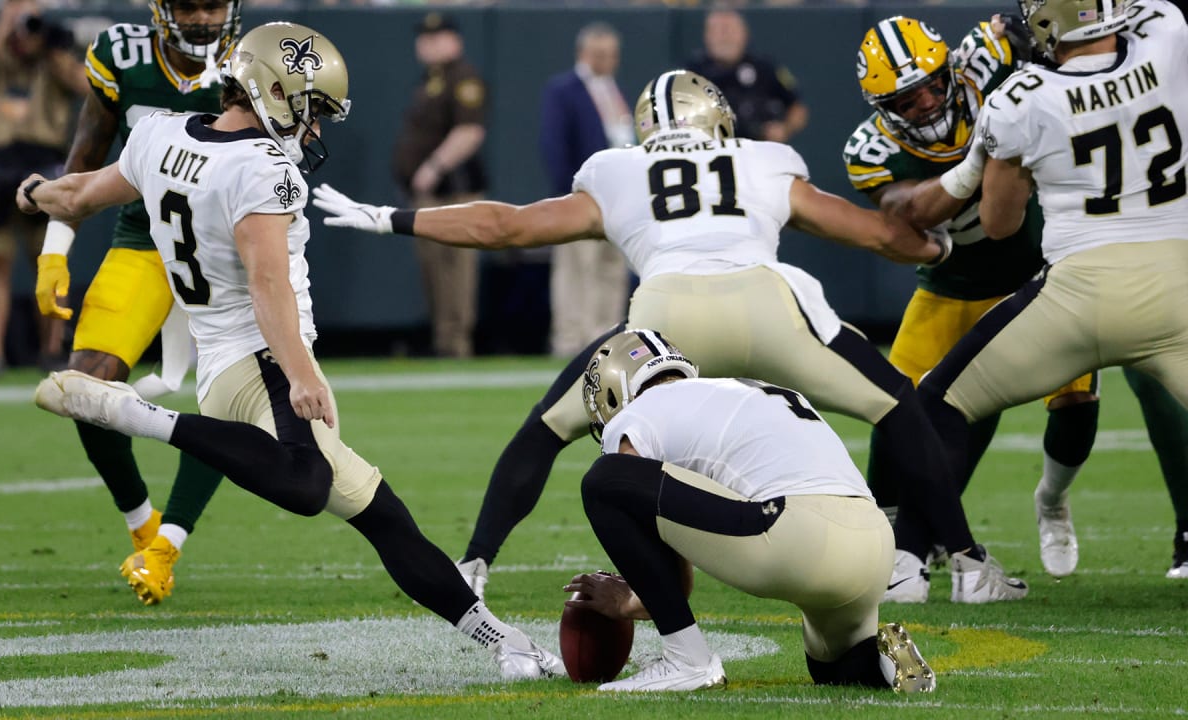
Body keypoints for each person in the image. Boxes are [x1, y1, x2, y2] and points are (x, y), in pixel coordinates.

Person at [316, 69, 1027, 605]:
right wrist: (932, 252)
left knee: (547, 428)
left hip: (664, 319)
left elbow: (506, 226)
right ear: (719, 117)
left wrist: (392, 218)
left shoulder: (620, 170)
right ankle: (963, 561)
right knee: (898, 405)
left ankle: (473, 565)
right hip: (768, 306)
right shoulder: (762, 158)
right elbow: (876, 234)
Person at [18, 22, 564, 680]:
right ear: (272, 91)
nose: (314, 129)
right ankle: (137, 415)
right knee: (308, 486)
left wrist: (32, 195)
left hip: (224, 368)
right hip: (262, 362)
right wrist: (304, 375)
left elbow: (76, 193)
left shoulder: (157, 135)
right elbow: (268, 283)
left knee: (380, 512)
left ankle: (504, 643)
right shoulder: (262, 167)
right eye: (310, 110)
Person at [915, 0, 1188, 580]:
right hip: (1176, 290)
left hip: (1077, 298)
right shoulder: (1166, 32)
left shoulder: (1020, 98)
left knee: (937, 403)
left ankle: (937, 556)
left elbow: (999, 225)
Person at [843, 15, 1100, 590]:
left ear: (952, 67)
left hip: (1040, 275)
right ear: (881, 107)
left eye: (935, 84)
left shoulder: (988, 56)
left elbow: (1046, 33)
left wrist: (1030, 34)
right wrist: (979, 160)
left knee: (1076, 404)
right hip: (951, 288)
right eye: (908, 101)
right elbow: (911, 208)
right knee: (895, 408)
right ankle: (889, 540)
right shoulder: (869, 148)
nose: (930, 103)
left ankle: (1052, 501)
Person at [561, 328, 934, 693]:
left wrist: (630, 598)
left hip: (800, 536)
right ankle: (880, 662)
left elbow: (629, 497)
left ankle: (687, 661)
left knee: (604, 481)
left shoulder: (640, 412)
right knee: (838, 671)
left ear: (614, 392)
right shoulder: (739, 391)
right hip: (876, 547)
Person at [33, 0, 241, 606]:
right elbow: (87, 150)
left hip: (228, 248)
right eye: (189, 5)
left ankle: (166, 547)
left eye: (213, 5)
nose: (203, 18)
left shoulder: (254, 60)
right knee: (85, 389)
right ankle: (141, 524)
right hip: (144, 240)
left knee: (226, 397)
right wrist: (56, 248)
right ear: (160, 9)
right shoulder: (121, 56)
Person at [0, 0, 86, 375]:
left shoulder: (56, 54)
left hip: (44, 166)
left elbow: (84, 85)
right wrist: (2, 36)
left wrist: (51, 47)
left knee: (48, 258)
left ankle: (51, 349)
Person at [391, 12, 487, 358]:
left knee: (455, 270)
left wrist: (434, 166)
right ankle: (443, 339)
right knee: (433, 270)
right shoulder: (430, 79)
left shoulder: (464, 78)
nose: (427, 44)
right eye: (424, 38)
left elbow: (470, 131)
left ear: (454, 40)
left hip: (454, 191)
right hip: (428, 194)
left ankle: (456, 341)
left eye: (436, 37)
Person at [540, 22, 632, 357]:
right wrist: (571, 194)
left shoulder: (613, 90)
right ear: (583, 53)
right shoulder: (564, 90)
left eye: (611, 54)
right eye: (599, 54)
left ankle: (605, 337)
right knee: (576, 270)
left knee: (611, 269)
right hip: (582, 198)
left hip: (618, 199)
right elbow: (554, 146)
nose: (606, 60)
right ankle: (570, 340)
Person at [686, 7, 807, 143]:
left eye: (729, 30)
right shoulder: (692, 72)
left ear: (744, 33)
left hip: (757, 150)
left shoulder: (764, 68)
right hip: (712, 152)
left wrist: (783, 129)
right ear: (706, 35)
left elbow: (797, 108)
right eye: (718, 30)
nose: (724, 37)